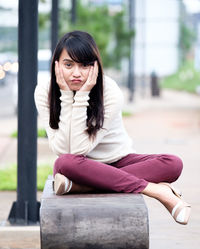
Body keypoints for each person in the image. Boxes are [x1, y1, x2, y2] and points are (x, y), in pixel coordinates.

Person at [34, 30, 191, 225]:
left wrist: (83, 94)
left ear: (95, 66)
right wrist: (67, 97)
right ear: (56, 65)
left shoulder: (109, 92)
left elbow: (78, 149)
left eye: (84, 65)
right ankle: (158, 191)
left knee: (173, 163)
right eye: (68, 65)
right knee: (64, 163)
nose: (76, 73)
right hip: (78, 166)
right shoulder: (44, 92)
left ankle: (81, 187)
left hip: (119, 162)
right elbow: (71, 152)